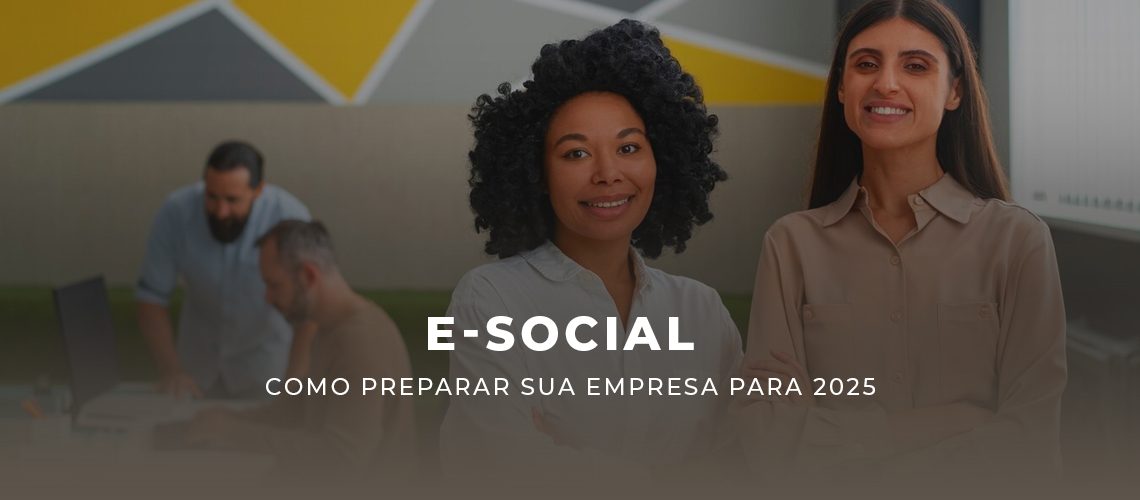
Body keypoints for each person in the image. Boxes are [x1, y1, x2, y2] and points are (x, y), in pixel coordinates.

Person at [734, 0, 1066, 485]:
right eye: (866, 64)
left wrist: (847, 445)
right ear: (843, 87)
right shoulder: (791, 245)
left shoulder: (1017, 241)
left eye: (915, 66)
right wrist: (955, 421)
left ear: (954, 91)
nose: (886, 83)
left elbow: (1030, 442)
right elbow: (770, 438)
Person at [439, 20, 743, 486]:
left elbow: (745, 466)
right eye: (576, 154)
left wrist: (564, 462)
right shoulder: (490, 301)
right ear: (536, 173)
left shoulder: (703, 312)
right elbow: (501, 470)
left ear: (661, 158)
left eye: (628, 147)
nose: (607, 173)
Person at [182, 220, 417, 478]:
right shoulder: (326, 327)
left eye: (274, 285)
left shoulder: (360, 341)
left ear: (308, 276)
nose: (267, 298)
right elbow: (293, 411)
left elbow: (342, 457)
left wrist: (231, 433)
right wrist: (225, 419)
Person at [136, 141, 314, 398]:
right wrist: (171, 371)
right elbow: (151, 299)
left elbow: (309, 309)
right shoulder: (176, 211)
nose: (220, 211)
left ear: (259, 190)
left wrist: (295, 385)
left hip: (265, 371)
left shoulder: (289, 216)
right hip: (195, 374)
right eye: (212, 196)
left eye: (232, 200)